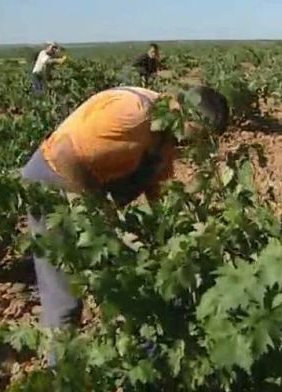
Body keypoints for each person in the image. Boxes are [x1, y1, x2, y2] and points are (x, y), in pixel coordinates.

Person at [21, 85, 229, 363]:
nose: (191, 147)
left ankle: (151, 363)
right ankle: (61, 377)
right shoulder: (133, 116)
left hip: (91, 195)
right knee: (65, 299)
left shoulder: (165, 134)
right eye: (196, 137)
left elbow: (159, 194)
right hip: (52, 183)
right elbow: (63, 153)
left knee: (133, 281)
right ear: (188, 116)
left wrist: (179, 240)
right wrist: (96, 215)